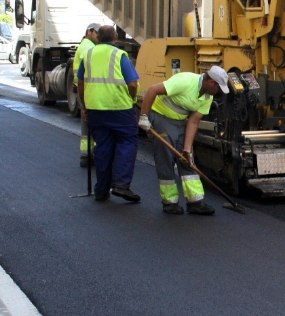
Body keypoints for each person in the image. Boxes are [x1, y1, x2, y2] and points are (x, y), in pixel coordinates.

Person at [137, 66, 230, 215]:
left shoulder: (207, 96)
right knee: (166, 157)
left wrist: (187, 149)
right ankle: (170, 202)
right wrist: (144, 117)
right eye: (219, 87)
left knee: (187, 159)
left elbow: (193, 122)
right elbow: (152, 90)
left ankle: (195, 202)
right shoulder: (185, 81)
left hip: (180, 121)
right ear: (211, 82)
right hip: (161, 116)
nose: (219, 92)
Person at [77, 25, 140, 203]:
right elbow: (133, 84)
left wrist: (84, 105)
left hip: (96, 109)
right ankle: (121, 184)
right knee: (127, 142)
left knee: (103, 147)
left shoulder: (88, 55)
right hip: (119, 108)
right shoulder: (119, 55)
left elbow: (80, 84)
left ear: (98, 38)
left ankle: (101, 190)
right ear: (115, 38)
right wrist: (132, 99)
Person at [73, 23, 100, 168]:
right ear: (89, 32)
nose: (98, 36)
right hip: (87, 90)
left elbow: (77, 71)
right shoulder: (88, 48)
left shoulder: (84, 45)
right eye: (96, 32)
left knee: (86, 124)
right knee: (90, 123)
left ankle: (86, 155)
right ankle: (89, 155)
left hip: (83, 89)